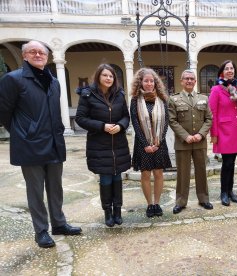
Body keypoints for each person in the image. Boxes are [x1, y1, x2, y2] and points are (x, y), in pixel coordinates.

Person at [0, 40, 81, 248]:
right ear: (25, 56)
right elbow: (4, 112)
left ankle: (59, 223)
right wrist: (23, 132)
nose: (38, 55)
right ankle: (41, 231)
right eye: (32, 52)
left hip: (54, 141)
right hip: (30, 144)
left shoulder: (54, 82)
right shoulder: (13, 79)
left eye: (41, 52)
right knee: (35, 190)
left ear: (47, 56)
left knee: (56, 187)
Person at [75, 64, 131, 227]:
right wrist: (102, 126)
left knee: (117, 176)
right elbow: (80, 118)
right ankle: (108, 212)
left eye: (111, 76)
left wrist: (120, 126)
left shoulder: (119, 95)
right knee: (106, 177)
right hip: (99, 144)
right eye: (105, 75)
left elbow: (126, 117)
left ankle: (118, 211)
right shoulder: (87, 95)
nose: (108, 78)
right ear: (98, 76)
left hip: (118, 144)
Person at [168, 70, 213, 214]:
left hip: (200, 142)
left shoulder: (203, 98)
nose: (189, 81)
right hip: (183, 143)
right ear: (181, 81)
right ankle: (180, 202)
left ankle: (204, 199)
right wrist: (185, 136)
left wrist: (201, 134)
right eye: (186, 78)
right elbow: (172, 120)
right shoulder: (174, 99)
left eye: (192, 79)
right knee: (182, 173)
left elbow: (209, 119)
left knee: (201, 171)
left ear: (195, 81)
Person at [130, 68, 171, 218]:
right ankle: (149, 204)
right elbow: (135, 122)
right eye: (146, 81)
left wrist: (158, 142)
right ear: (140, 82)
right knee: (146, 174)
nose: (149, 83)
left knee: (159, 173)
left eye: (151, 81)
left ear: (155, 83)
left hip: (159, 143)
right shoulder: (135, 100)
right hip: (142, 144)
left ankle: (157, 203)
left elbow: (166, 121)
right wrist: (145, 144)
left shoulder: (162, 99)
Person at [209, 60, 237, 206]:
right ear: (222, 72)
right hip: (224, 131)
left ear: (234, 71)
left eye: (231, 68)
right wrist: (214, 134)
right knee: (227, 163)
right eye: (226, 68)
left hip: (236, 130)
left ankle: (230, 191)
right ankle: (224, 192)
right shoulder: (216, 89)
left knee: (233, 162)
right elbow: (212, 112)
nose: (229, 71)